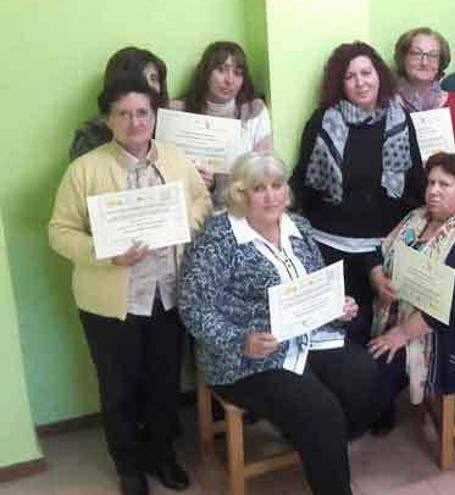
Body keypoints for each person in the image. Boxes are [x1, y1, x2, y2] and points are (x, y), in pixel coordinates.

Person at [48, 77, 212, 495]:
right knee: (118, 388)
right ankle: (128, 466)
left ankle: (162, 454)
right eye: (124, 113)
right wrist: (107, 253)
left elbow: (202, 203)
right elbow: (59, 232)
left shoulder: (176, 160)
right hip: (110, 303)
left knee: (163, 382)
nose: (134, 121)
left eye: (142, 112)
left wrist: (180, 225)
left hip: (167, 295)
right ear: (109, 120)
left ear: (154, 116)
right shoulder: (85, 169)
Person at [179, 151, 377, 495]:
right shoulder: (219, 237)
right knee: (319, 409)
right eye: (259, 188)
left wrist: (335, 307)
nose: (271, 196)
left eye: (277, 185)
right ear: (241, 194)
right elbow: (194, 307)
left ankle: (317, 444)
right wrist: (242, 340)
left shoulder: (298, 226)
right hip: (248, 356)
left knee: (366, 376)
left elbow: (315, 281)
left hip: (307, 337)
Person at [290, 41, 426, 346]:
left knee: (378, 337)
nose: (361, 82)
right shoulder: (324, 121)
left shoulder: (400, 119)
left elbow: (416, 179)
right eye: (350, 77)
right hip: (330, 250)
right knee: (338, 340)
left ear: (379, 74)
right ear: (340, 84)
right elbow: (303, 183)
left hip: (382, 251)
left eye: (367, 72)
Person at [367, 152, 455, 433]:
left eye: (445, 185)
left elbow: (451, 306)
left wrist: (400, 334)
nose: (433, 191)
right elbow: (376, 252)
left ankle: (362, 415)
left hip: (446, 333)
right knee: (349, 338)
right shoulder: (416, 218)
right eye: (431, 183)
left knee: (378, 364)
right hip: (396, 309)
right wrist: (379, 278)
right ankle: (377, 406)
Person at [172, 41, 273, 207]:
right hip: (191, 208)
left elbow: (266, 170)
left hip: (243, 208)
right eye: (221, 70)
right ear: (206, 73)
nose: (229, 80)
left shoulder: (254, 112)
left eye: (238, 73)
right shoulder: (178, 112)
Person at [70, 47, 169, 160]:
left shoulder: (167, 127)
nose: (147, 86)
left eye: (153, 78)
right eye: (139, 78)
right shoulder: (92, 136)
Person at [394, 27, 455, 160]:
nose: (424, 62)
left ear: (440, 62)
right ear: (403, 58)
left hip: (447, 179)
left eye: (433, 56)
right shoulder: (388, 104)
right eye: (416, 54)